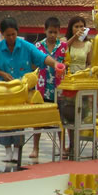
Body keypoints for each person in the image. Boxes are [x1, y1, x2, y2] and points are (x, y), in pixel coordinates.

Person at [0, 17, 64, 162]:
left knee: (18, 121)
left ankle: (16, 149)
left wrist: (56, 65)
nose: (11, 38)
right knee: (4, 121)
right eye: (8, 35)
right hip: (3, 90)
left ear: (17, 33)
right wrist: (2, 73)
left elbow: (42, 57)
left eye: (13, 34)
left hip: (21, 91)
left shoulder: (26, 46)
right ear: (2, 34)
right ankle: (7, 150)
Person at [32, 17, 68, 158]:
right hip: (42, 86)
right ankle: (35, 148)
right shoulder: (38, 47)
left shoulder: (63, 47)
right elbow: (34, 65)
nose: (52, 35)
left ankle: (62, 146)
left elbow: (67, 63)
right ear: (45, 30)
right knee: (38, 120)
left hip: (58, 87)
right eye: (50, 32)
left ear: (59, 31)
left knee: (60, 118)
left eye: (55, 32)